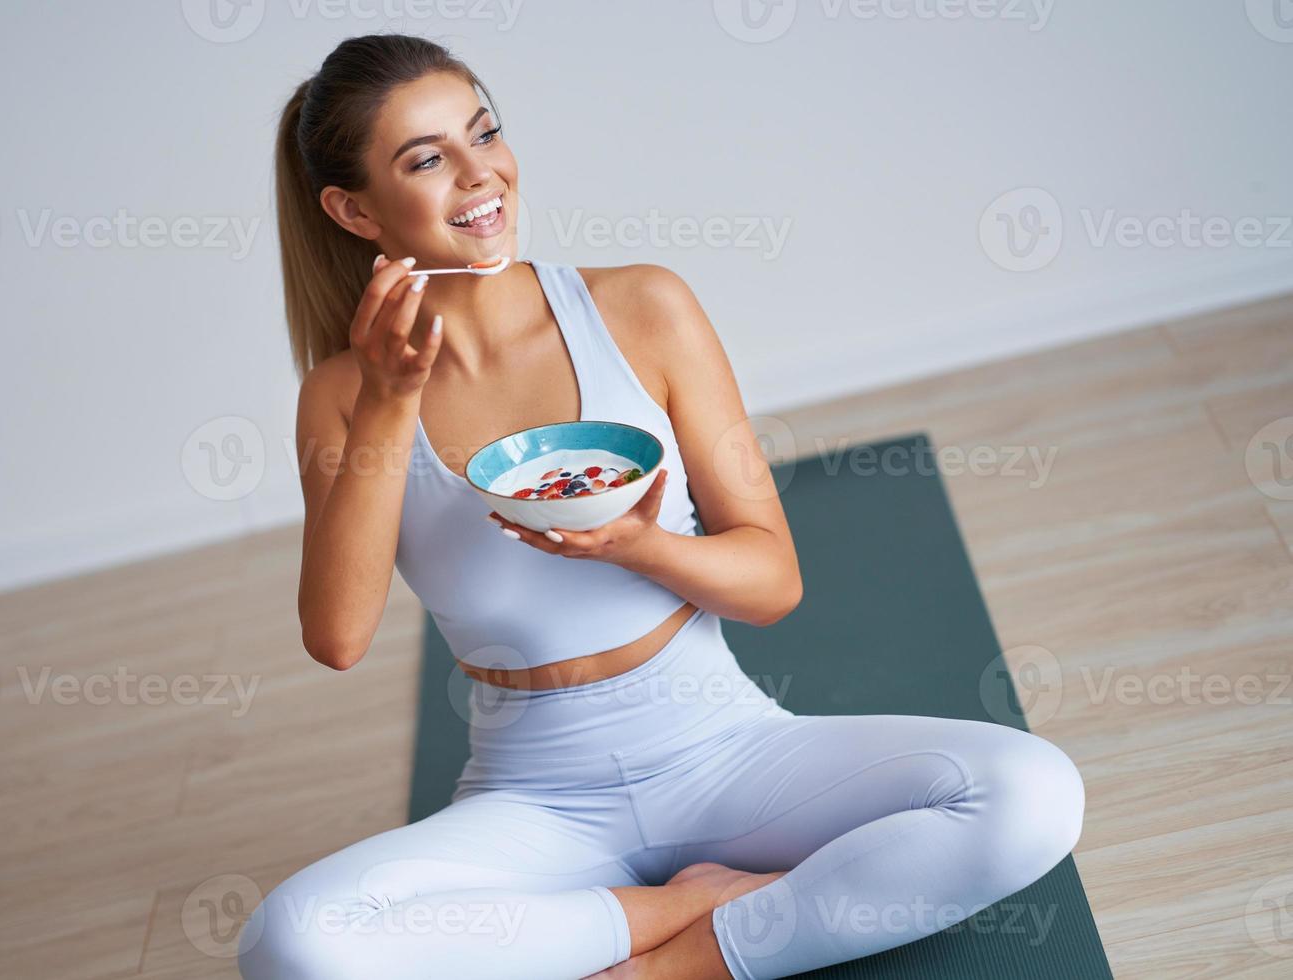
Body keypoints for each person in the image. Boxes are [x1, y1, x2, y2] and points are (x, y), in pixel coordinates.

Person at [238, 32, 1085, 980]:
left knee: (1030, 791)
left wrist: (641, 546)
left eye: (486, 133)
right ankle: (682, 905)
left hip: (725, 754)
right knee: (291, 945)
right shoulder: (344, 396)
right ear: (354, 209)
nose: (483, 175)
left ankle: (672, 966)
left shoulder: (642, 308)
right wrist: (393, 400)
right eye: (429, 159)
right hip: (535, 806)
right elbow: (338, 636)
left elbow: (772, 580)